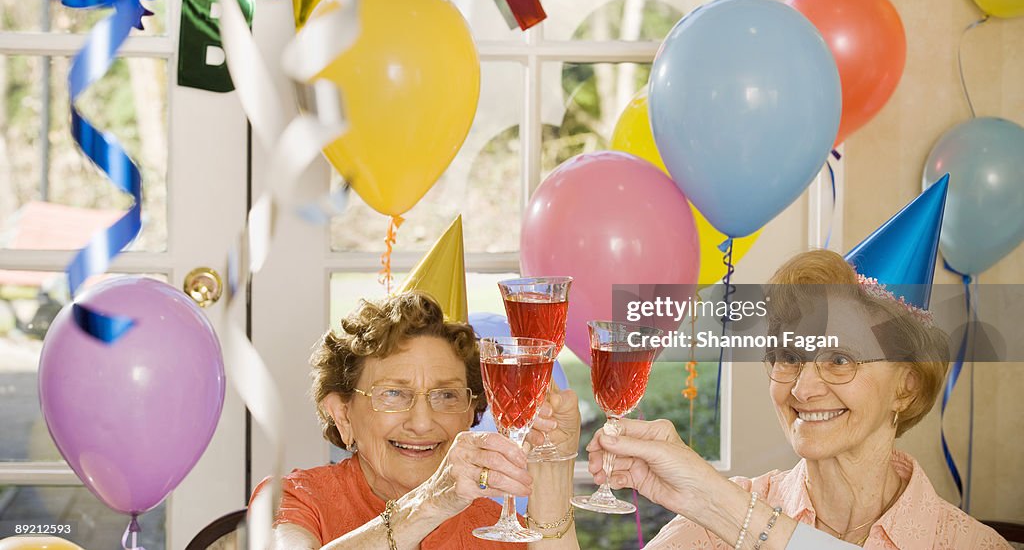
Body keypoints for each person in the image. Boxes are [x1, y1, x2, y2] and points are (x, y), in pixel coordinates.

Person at [586, 249, 1010, 549]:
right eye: (789, 356)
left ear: (906, 387)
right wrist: (548, 469)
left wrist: (715, 501)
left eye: (840, 359)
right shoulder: (725, 513)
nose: (803, 389)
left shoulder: (968, 543)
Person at [254, 290, 581, 549]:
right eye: (394, 394)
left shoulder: (494, 527)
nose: (422, 423)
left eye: (446, 395)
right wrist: (428, 504)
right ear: (343, 414)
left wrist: (552, 461)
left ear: (470, 414)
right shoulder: (294, 500)